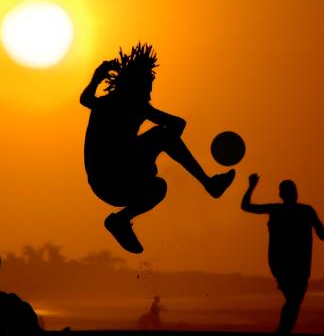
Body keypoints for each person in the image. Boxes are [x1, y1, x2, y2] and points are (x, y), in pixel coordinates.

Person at [81, 42, 235, 254]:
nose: (150, 93)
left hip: (109, 183)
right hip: (112, 178)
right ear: (137, 85)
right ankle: (209, 183)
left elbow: (86, 99)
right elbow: (178, 124)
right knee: (162, 136)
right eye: (148, 87)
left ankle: (121, 220)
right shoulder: (129, 104)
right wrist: (151, 155)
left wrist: (97, 77)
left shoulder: (114, 102)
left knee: (158, 186)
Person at [241, 174, 324, 335]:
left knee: (293, 301)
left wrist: (251, 186)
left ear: (281, 195)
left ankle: (283, 331)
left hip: (290, 265)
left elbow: (246, 206)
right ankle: (283, 331)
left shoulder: (282, 210)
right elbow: (323, 235)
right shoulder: (304, 210)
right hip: (289, 265)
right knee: (294, 300)